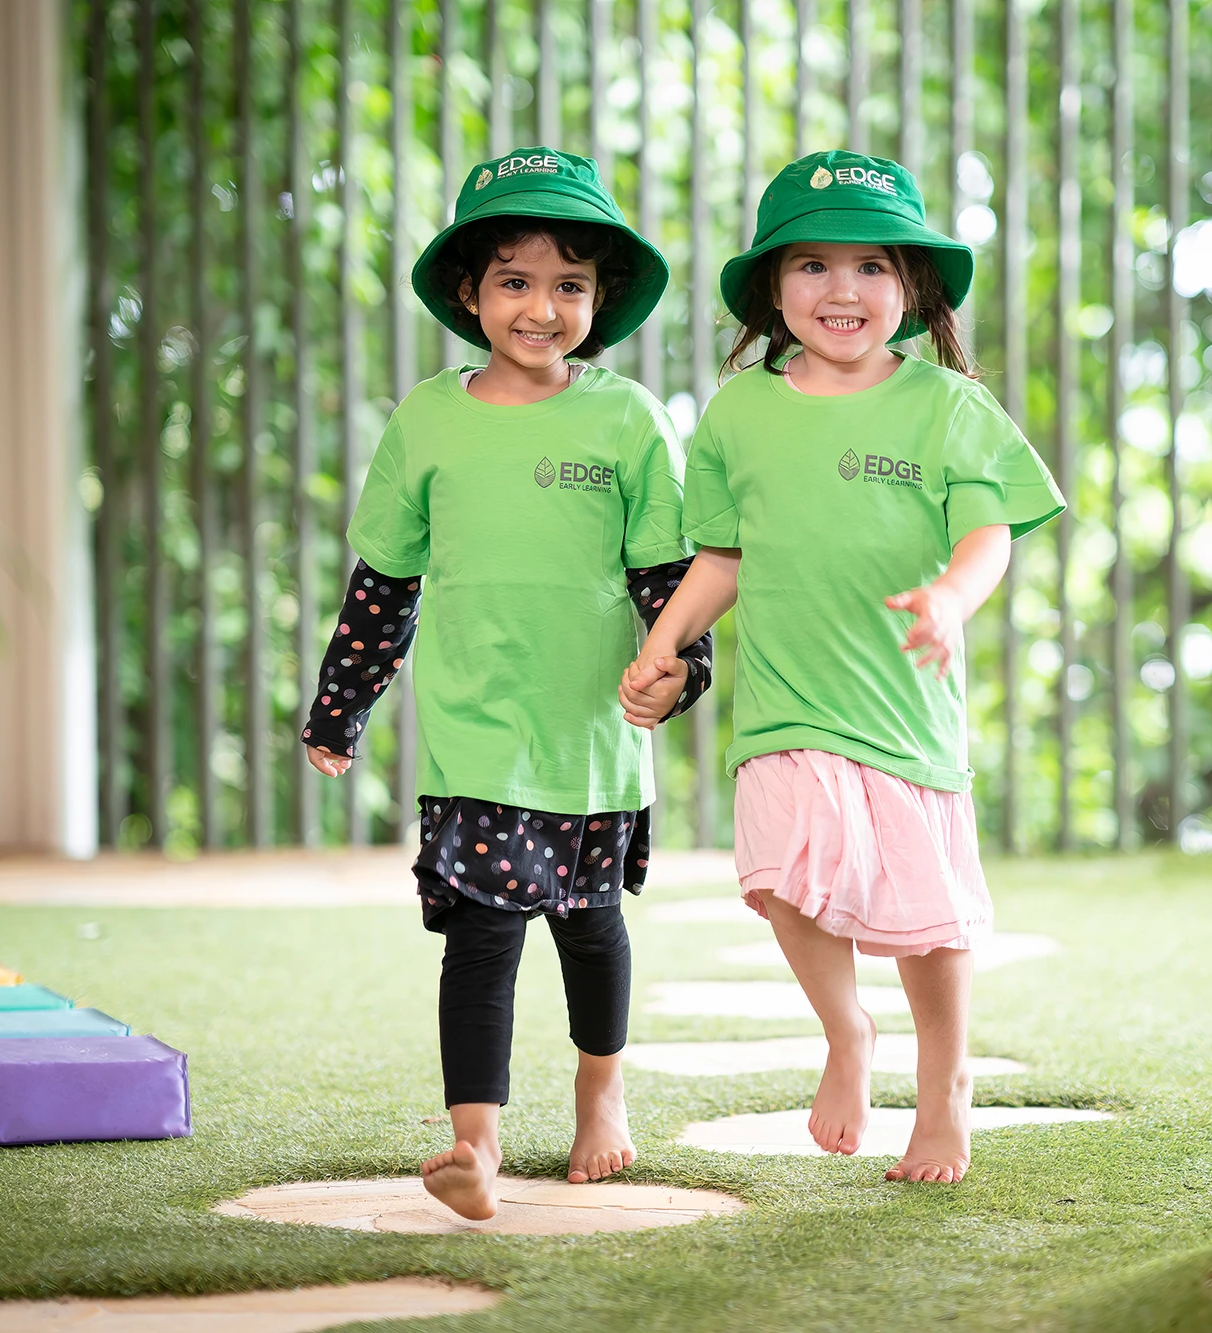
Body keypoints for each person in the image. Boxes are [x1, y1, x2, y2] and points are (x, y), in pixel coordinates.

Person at [621, 150, 1063, 1184]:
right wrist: (661, 643)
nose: (841, 289)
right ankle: (845, 1033)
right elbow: (723, 557)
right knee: (781, 878)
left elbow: (989, 533)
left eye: (868, 264)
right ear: (773, 291)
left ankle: (945, 1086)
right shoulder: (735, 413)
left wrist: (950, 598)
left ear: (908, 286)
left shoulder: (947, 407)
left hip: (902, 712)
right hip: (784, 704)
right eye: (811, 265)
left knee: (927, 918)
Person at [303, 145, 711, 1220]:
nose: (542, 307)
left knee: (588, 926)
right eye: (515, 281)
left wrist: (680, 669)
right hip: (475, 728)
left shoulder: (625, 418)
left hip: (590, 734)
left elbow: (668, 577)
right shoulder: (428, 421)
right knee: (483, 934)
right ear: (470, 295)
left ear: (599, 299)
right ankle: (472, 1146)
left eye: (568, 284)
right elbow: (385, 577)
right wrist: (342, 699)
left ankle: (600, 1100)